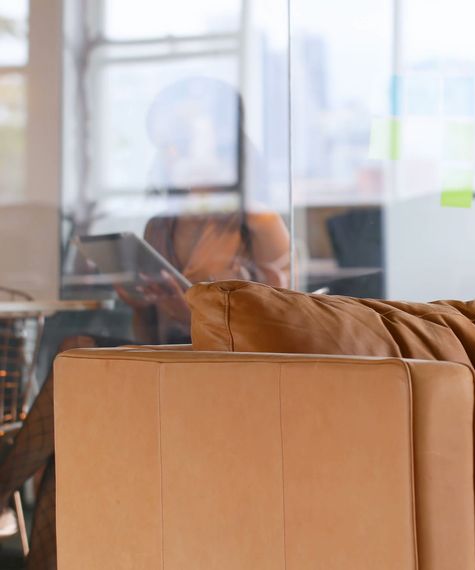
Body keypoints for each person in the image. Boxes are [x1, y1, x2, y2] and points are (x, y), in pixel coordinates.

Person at [0, 77, 289, 570]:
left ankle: (5, 490)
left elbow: (279, 331)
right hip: (170, 371)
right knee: (75, 373)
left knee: (76, 361)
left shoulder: (257, 223)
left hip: (229, 381)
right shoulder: (162, 226)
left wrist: (188, 311)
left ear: (221, 142)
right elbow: (148, 343)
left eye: (182, 141)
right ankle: (37, 552)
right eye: (166, 144)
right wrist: (138, 302)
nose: (171, 154)